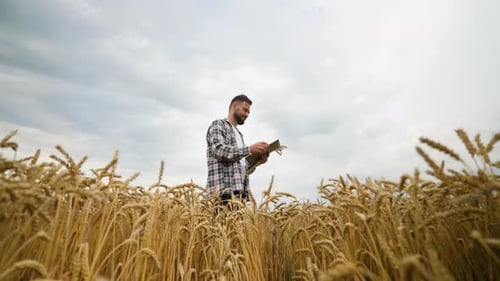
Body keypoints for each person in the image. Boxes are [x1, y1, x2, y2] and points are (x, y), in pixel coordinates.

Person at [206, 94, 269, 206]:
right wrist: (249, 149)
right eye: (245, 110)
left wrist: (257, 162)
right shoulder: (218, 124)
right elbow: (218, 149)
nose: (247, 114)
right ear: (234, 106)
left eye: (249, 112)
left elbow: (241, 167)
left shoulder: (239, 135)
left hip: (239, 196)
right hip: (221, 193)